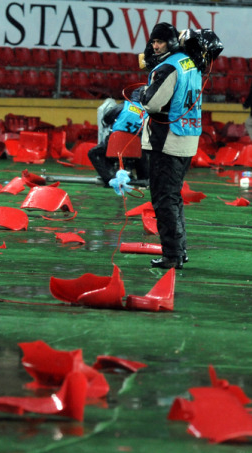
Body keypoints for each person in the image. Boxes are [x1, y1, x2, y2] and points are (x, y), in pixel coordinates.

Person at [140, 23, 204, 269]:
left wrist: (144, 93)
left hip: (167, 140)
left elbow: (152, 103)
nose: (155, 46)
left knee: (164, 200)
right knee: (173, 198)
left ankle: (172, 255)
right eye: (153, 42)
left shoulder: (168, 67)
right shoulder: (192, 63)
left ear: (172, 42)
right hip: (188, 137)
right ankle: (179, 251)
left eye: (159, 42)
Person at [87, 88, 147, 186]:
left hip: (115, 144)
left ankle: (109, 179)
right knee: (141, 154)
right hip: (135, 148)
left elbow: (106, 118)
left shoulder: (124, 105)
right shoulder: (146, 112)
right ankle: (143, 178)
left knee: (93, 153)